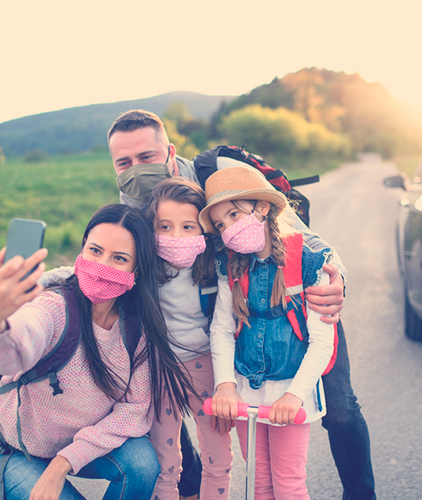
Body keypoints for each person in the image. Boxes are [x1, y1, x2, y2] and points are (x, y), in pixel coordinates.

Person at [108, 110, 375, 500]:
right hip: (232, 321)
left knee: (341, 408)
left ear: (169, 152)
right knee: (188, 422)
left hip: (295, 299)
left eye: (145, 157)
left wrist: (339, 279)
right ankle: (193, 488)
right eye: (123, 163)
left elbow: (302, 236)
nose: (136, 169)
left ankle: (360, 495)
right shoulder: (130, 207)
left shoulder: (215, 174)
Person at [0, 204, 196, 500]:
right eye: (95, 250)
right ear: (81, 252)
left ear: (136, 269)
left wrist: (64, 462)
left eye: (119, 258)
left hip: (71, 446)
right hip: (12, 451)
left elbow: (134, 412)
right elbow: (13, 354)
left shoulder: (137, 328)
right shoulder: (54, 307)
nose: (103, 264)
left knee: (143, 464)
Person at [204, 165, 335, 499]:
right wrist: (225, 385)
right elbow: (220, 328)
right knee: (257, 482)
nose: (228, 229)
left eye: (234, 214)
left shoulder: (308, 261)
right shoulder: (231, 266)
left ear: (261, 207)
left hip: (292, 390)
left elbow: (322, 341)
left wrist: (294, 395)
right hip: (247, 390)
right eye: (221, 224)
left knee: (289, 485)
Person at [146, 178, 233, 500]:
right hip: (159, 368)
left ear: (204, 231)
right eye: (164, 227)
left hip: (205, 364)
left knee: (217, 456)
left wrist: (227, 384)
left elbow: (223, 327)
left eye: (187, 227)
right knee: (164, 462)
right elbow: (86, 270)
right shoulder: (145, 267)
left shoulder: (216, 269)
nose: (175, 237)